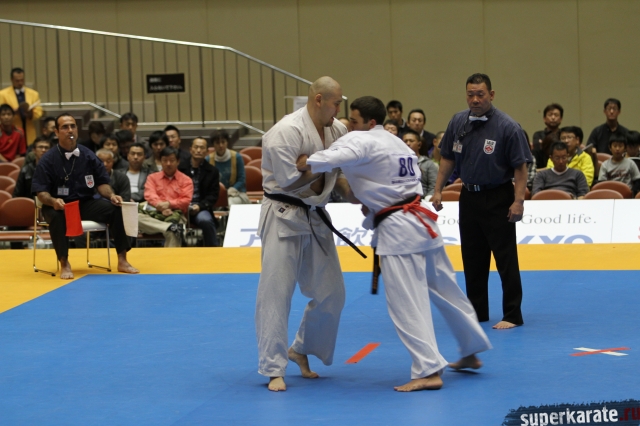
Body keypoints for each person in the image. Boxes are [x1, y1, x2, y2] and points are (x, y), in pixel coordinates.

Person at [298, 96, 491, 392]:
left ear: (370, 122)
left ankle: (428, 369)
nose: (349, 125)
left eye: (355, 120)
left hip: (399, 232)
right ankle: (471, 349)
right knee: (446, 290)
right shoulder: (397, 142)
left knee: (406, 302)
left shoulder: (362, 139)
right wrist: (372, 198)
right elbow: (384, 180)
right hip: (422, 224)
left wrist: (306, 161)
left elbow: (332, 157)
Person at [256, 76, 350, 392]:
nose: (339, 110)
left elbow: (336, 174)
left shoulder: (338, 130)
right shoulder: (285, 132)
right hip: (283, 214)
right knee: (276, 293)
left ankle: (301, 348)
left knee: (333, 292)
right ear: (319, 99)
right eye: (335, 104)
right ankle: (273, 368)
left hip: (315, 214)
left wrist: (311, 166)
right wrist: (319, 169)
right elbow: (290, 182)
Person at [432, 73, 531, 330]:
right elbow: (447, 158)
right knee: (472, 257)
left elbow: (520, 168)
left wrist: (518, 201)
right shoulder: (458, 122)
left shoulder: (508, 127)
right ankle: (477, 310)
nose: (475, 99)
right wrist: (438, 189)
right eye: (470, 95)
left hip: (499, 196)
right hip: (468, 196)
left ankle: (512, 314)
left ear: (491, 95)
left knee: (505, 258)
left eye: (480, 94)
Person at [30, 114, 139, 279]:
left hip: (84, 203)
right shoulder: (47, 160)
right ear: (56, 132)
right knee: (57, 217)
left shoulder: (88, 155)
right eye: (65, 127)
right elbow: (41, 193)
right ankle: (64, 263)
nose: (70, 130)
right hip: (58, 205)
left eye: (72, 126)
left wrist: (111, 195)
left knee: (115, 209)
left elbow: (102, 183)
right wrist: (53, 201)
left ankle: (122, 260)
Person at [138, 147, 192, 247]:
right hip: (153, 212)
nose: (168, 163)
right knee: (134, 218)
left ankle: (171, 258)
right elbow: (149, 194)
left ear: (178, 161)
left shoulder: (186, 180)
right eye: (165, 160)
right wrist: (161, 206)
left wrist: (169, 204)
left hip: (176, 214)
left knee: (174, 232)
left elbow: (186, 200)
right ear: (160, 161)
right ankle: (168, 227)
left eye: (171, 160)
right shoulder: (152, 177)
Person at [178, 137, 220, 247]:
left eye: (202, 148)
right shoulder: (179, 168)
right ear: (190, 149)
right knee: (171, 223)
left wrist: (199, 206)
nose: (198, 150)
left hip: (200, 208)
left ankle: (213, 250)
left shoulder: (212, 171)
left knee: (205, 220)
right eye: (196, 147)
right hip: (179, 208)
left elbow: (213, 196)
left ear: (207, 151)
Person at [0, 68, 43, 146]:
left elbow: (39, 112)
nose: (20, 83)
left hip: (29, 129)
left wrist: (30, 113)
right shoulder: (2, 94)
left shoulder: (34, 94)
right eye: (17, 81)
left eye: (22, 80)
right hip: (12, 130)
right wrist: (12, 112)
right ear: (11, 80)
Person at [208, 129, 250, 205]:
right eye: (217, 143)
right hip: (216, 194)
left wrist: (232, 190)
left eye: (223, 142)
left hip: (236, 193)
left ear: (227, 143)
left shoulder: (237, 157)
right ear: (213, 144)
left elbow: (241, 180)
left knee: (229, 203)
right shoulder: (208, 160)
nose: (221, 145)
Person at [403, 129, 438, 198]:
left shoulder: (428, 164)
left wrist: (428, 199)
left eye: (411, 141)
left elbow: (434, 186)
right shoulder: (397, 163)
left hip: (422, 199)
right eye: (405, 141)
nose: (408, 143)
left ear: (419, 145)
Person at [531, 103, 563, 168]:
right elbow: (538, 149)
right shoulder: (538, 135)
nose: (553, 117)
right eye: (550, 115)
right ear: (544, 119)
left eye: (556, 115)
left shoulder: (564, 135)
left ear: (561, 119)